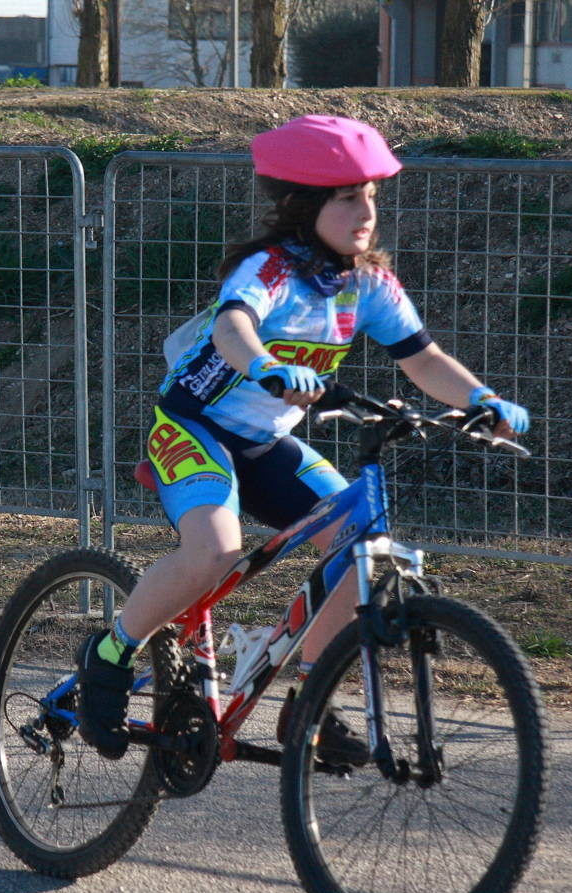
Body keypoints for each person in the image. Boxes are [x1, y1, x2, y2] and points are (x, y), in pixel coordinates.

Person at [77, 114, 529, 761]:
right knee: (216, 549)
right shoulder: (269, 269)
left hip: (267, 443)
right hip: (195, 426)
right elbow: (233, 326)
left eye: (370, 195)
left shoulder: (366, 282)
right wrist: (263, 363)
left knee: (360, 544)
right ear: (303, 205)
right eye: (347, 198)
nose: (365, 212)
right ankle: (111, 651)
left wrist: (482, 399)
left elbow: (424, 360)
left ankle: (310, 699)